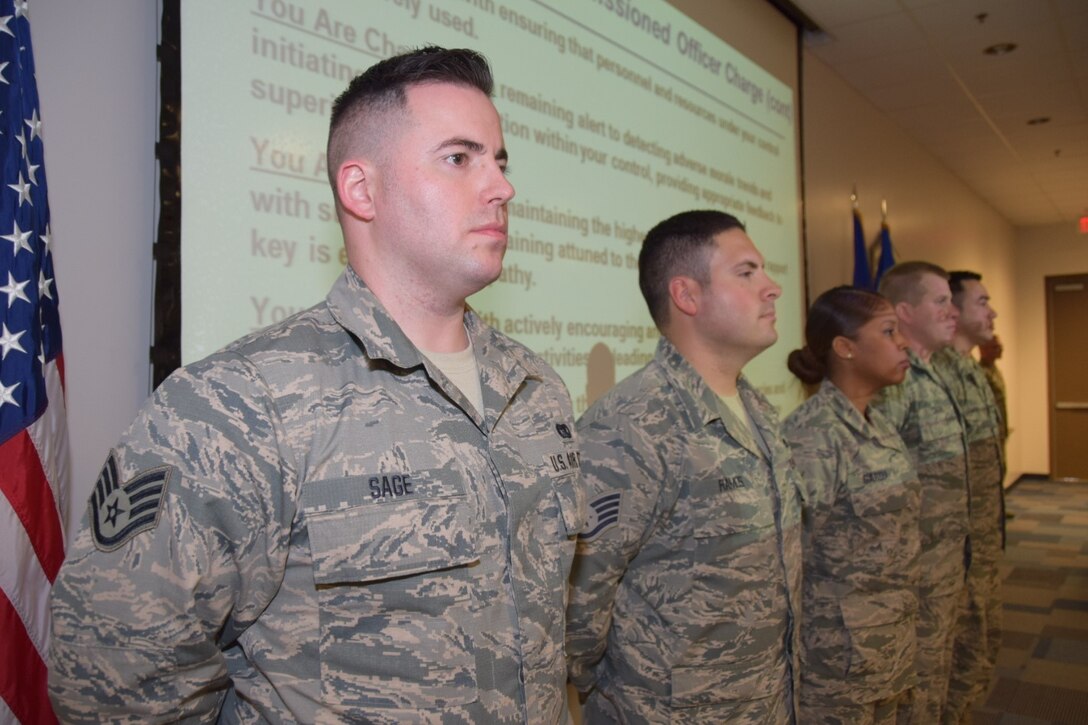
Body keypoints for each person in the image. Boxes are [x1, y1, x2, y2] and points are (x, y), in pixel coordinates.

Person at [48, 47, 586, 723]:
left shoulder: (537, 390)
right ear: (361, 190)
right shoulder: (237, 403)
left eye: (500, 161)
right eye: (460, 158)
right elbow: (109, 677)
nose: (501, 187)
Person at [566, 210, 802, 723]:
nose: (773, 287)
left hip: (767, 701)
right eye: (747, 272)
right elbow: (578, 601)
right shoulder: (630, 427)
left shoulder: (758, 411)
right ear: (686, 296)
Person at [783, 286, 921, 724]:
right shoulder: (813, 436)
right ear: (845, 347)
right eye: (888, 331)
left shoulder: (877, 422)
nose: (904, 343)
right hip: (837, 662)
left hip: (890, 640)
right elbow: (790, 559)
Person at [872, 261, 969, 725]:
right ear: (905, 312)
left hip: (950, 561)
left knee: (941, 677)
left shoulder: (937, 371)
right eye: (941, 301)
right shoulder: (897, 381)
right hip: (918, 574)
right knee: (918, 691)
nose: (954, 311)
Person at [936, 271, 1005, 724]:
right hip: (951, 553)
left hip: (981, 538)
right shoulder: (932, 377)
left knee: (975, 654)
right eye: (983, 301)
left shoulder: (972, 371)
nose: (992, 311)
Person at [978, 334, 1009, 447]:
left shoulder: (995, 371)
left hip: (1000, 429)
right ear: (984, 349)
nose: (1000, 349)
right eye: (995, 347)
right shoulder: (981, 373)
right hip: (990, 432)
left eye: (1000, 346)